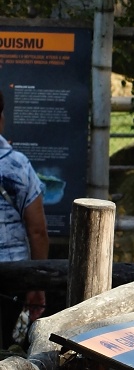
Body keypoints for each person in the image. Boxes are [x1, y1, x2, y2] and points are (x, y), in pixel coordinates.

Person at [0, 88, 48, 347]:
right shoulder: (18, 165)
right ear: (1, 118)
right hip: (12, 275)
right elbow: (37, 231)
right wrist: (37, 283)